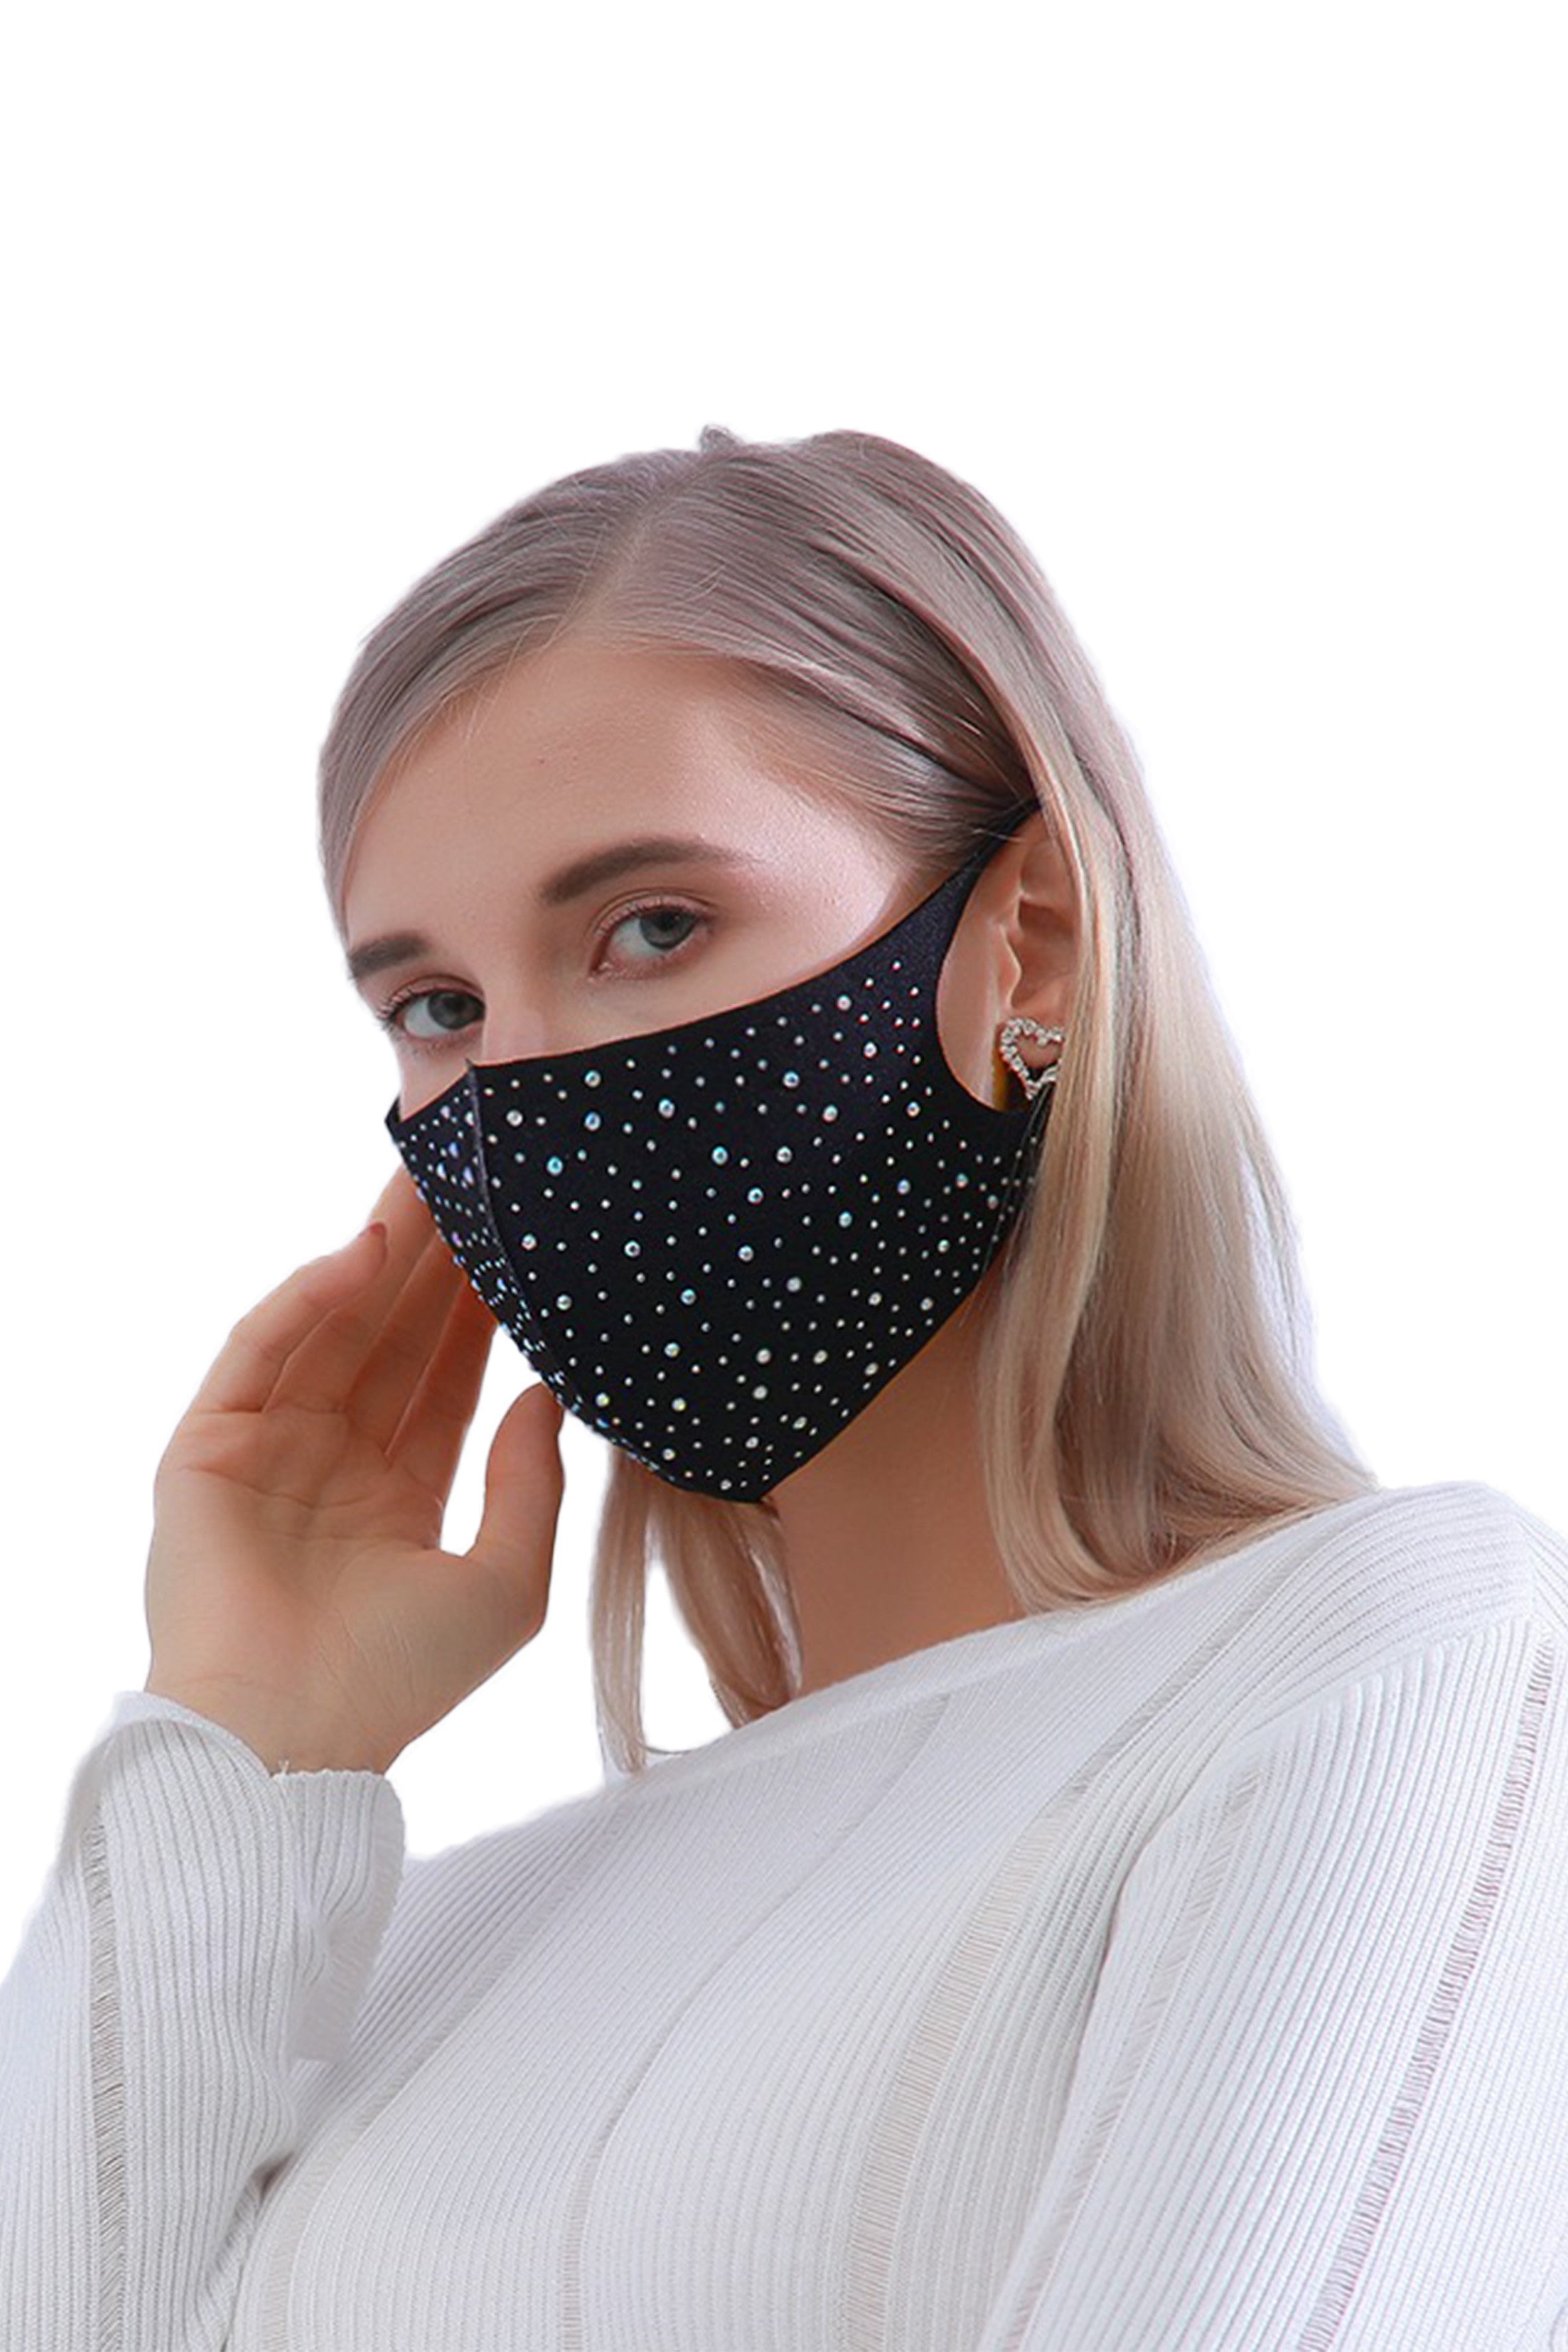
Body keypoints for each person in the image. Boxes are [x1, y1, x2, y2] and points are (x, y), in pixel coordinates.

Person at [2, 425, 1565, 2352]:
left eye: (652, 928)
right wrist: (243, 1743)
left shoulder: (1376, 1665)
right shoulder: (412, 1964)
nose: (524, 1087)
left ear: (1033, 942)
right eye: (438, 1009)